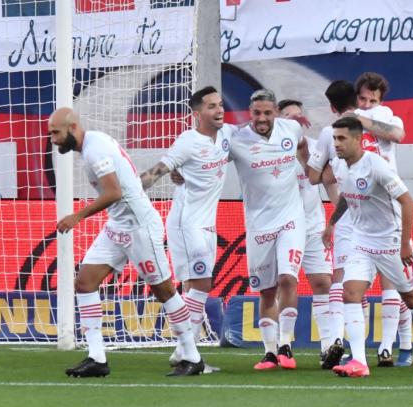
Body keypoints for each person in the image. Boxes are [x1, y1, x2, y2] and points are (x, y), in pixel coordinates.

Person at [48, 107, 204, 378]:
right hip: (118, 226)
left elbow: (114, 192)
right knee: (85, 282)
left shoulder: (95, 150)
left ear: (72, 127)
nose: (53, 139)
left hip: (139, 227)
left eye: (56, 133)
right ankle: (96, 358)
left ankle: (192, 356)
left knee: (164, 291)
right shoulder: (92, 144)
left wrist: (78, 216)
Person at [323, 116, 413, 377]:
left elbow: (408, 201)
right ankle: (358, 361)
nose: (336, 144)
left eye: (342, 138)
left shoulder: (377, 166)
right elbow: (347, 195)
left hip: (391, 242)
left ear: (358, 140)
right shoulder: (341, 166)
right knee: (350, 293)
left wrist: (404, 245)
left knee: (412, 298)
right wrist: (332, 223)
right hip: (361, 242)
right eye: (334, 138)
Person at [308, 79, 413, 369]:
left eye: (372, 101)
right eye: (364, 100)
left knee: (389, 283)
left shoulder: (371, 120)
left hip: (381, 210)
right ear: (356, 98)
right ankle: (358, 348)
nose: (368, 105)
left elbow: (315, 175)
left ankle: (386, 345)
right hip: (354, 212)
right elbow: (321, 176)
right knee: (355, 284)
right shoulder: (339, 133)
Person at [140, 86, 233, 369]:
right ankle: (184, 350)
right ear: (196, 113)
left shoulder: (227, 135)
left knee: (197, 285)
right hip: (187, 223)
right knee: (201, 284)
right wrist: (129, 193)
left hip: (206, 223)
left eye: (220, 104)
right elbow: (157, 172)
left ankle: (183, 351)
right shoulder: (187, 142)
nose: (219, 110)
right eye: (211, 106)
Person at [231, 89, 308, 370]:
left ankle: (286, 345)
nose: (262, 118)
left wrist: (311, 171)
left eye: (267, 112)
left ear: (276, 111)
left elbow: (303, 148)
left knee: (289, 278)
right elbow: (211, 160)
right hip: (258, 224)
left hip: (291, 218)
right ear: (250, 113)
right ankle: (270, 352)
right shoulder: (236, 138)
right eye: (256, 113)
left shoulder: (292, 128)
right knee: (266, 291)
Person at [278, 99, 333, 359]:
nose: (297, 121)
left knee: (323, 282)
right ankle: (284, 345)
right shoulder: (272, 150)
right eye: (290, 117)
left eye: (300, 116)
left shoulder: (316, 148)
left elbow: (321, 176)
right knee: (287, 282)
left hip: (314, 226)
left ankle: (327, 346)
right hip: (283, 226)